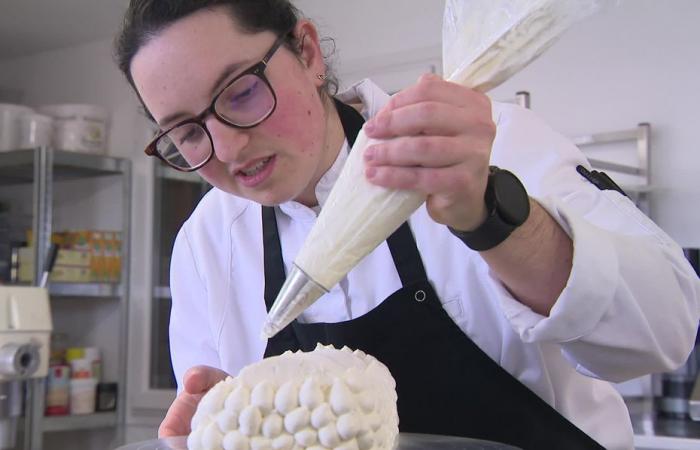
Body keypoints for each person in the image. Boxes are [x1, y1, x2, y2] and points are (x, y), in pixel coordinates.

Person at [115, 1, 699, 449]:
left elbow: (664, 330)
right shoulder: (206, 243)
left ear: (309, 52)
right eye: (188, 133)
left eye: (240, 92)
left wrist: (492, 217)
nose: (228, 146)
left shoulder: (485, 144)